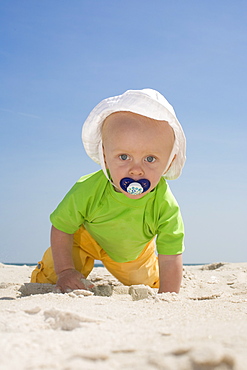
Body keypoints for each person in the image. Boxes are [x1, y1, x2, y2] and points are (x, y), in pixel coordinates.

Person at [31, 88, 186, 294]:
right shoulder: (88, 188)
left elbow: (171, 255)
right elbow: (62, 227)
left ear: (169, 162)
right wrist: (66, 270)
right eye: (124, 157)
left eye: (150, 159)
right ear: (104, 155)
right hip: (85, 240)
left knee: (149, 281)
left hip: (132, 254)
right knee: (50, 278)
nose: (136, 170)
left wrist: (169, 295)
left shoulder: (165, 205)